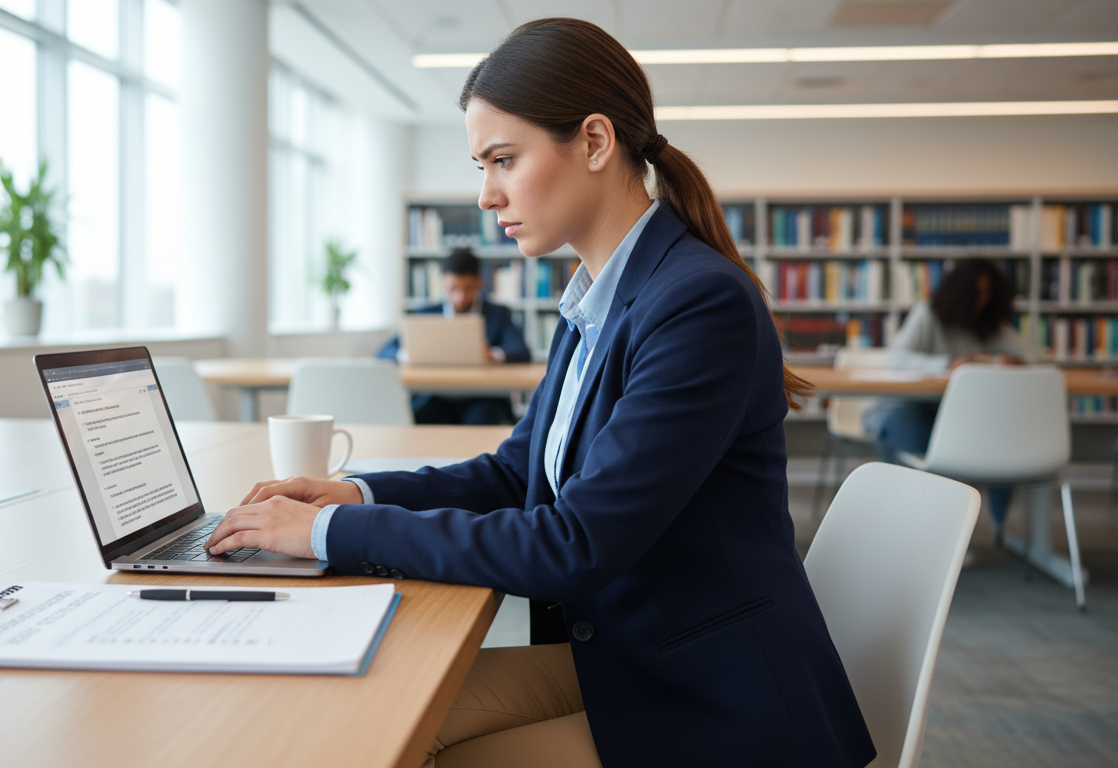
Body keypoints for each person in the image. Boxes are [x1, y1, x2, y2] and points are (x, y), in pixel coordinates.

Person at [207, 18, 875, 768]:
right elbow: (513, 475)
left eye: (503, 159)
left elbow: (573, 543)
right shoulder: (597, 296)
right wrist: (351, 497)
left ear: (594, 142)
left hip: (712, 695)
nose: (487, 195)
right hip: (633, 653)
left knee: (397, 745)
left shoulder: (697, 304)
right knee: (363, 717)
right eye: (480, 164)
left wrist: (324, 538)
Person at [864, 257, 1042, 532]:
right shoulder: (928, 315)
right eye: (977, 293)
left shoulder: (990, 325)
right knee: (903, 426)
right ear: (960, 292)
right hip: (918, 408)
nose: (983, 300)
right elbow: (897, 358)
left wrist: (1015, 361)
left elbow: (1032, 356)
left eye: (988, 294)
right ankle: (918, 524)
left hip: (965, 417)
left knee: (1003, 432)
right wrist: (948, 364)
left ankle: (995, 526)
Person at [378, 247, 530, 425]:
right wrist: (408, 353)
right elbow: (384, 352)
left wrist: (494, 354)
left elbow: (522, 351)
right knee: (415, 420)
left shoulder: (498, 315)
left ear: (479, 282)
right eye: (453, 289)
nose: (460, 297)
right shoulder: (425, 315)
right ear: (443, 283)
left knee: (482, 419)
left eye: (467, 289)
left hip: (483, 398)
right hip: (435, 397)